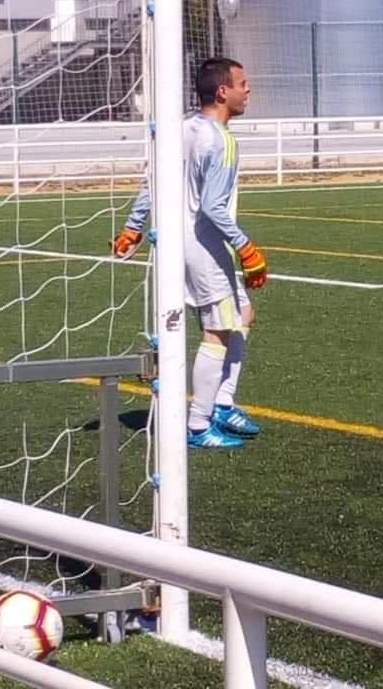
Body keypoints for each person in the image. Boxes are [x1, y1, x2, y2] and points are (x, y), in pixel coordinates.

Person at [112, 57, 267, 449]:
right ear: (222, 91)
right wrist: (245, 246)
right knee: (216, 329)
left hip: (172, 242)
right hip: (203, 243)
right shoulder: (221, 138)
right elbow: (214, 207)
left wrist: (133, 227)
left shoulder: (179, 129)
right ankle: (199, 425)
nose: (248, 90)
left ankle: (222, 403)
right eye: (242, 83)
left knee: (243, 312)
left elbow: (153, 184)